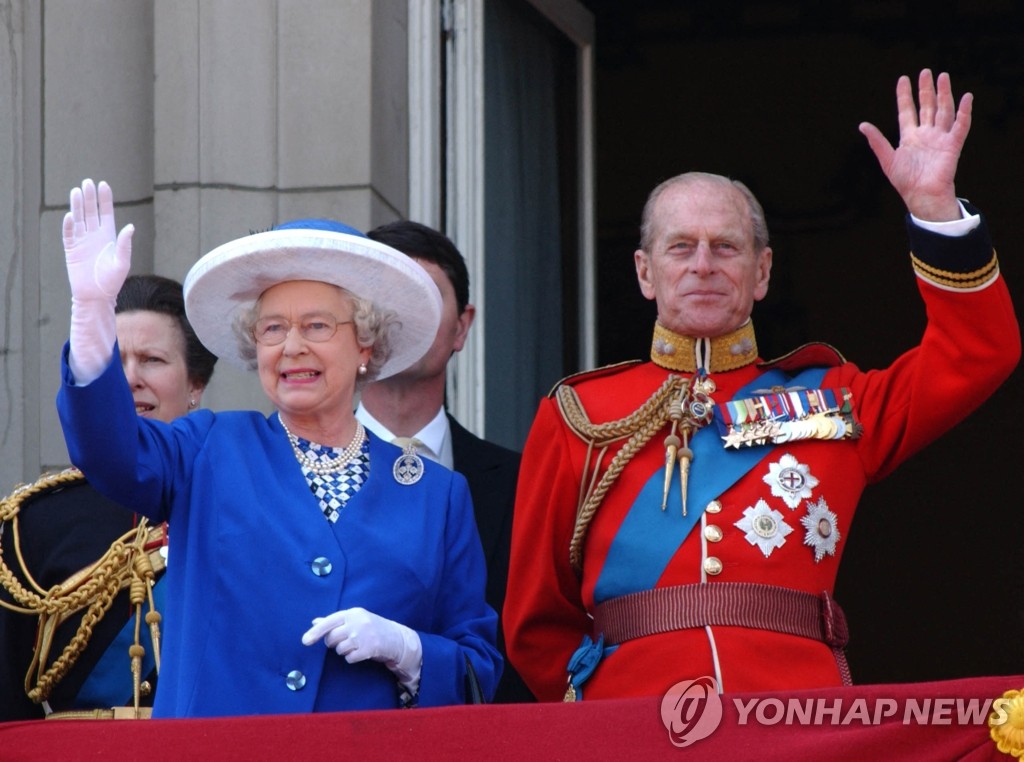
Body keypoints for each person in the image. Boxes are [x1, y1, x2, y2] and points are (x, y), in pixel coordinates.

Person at [503, 69, 1020, 701]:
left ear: (762, 270)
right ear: (644, 272)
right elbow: (537, 626)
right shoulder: (576, 415)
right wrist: (594, 725)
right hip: (630, 720)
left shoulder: (837, 399)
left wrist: (935, 210)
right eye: (680, 247)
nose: (702, 265)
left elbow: (977, 353)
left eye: (726, 247)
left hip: (795, 717)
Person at [54, 181, 502, 718]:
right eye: (272, 329)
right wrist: (91, 320)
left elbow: (480, 669)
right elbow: (111, 452)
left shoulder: (436, 495)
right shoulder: (208, 449)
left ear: (365, 343)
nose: (292, 347)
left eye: (317, 325)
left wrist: (410, 652)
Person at [0, 274, 217, 720]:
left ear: (196, 384)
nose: (130, 379)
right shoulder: (33, 524)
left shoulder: (236, 504)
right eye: (114, 362)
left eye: (152, 359)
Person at [358, 220, 532, 702]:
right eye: (386, 298)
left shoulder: (524, 485)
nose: (404, 318)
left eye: (426, 299)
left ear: (462, 326)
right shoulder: (289, 470)